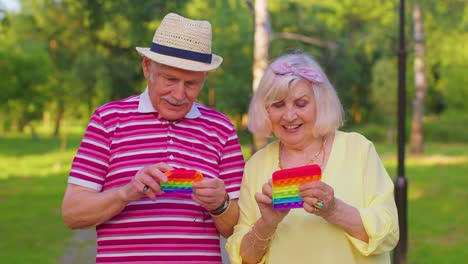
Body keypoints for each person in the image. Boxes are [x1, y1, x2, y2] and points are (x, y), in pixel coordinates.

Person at [61, 13, 245, 263]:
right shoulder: (108, 119)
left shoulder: (221, 128)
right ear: (147, 67)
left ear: (205, 80)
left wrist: (220, 205)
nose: (179, 94)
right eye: (170, 79)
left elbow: (236, 230)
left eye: (191, 84)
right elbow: (72, 214)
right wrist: (126, 193)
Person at [226, 53, 399, 264]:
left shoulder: (358, 149)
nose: (289, 116)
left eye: (301, 104)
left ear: (320, 103)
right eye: (278, 105)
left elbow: (389, 234)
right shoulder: (255, 165)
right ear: (265, 110)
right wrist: (266, 223)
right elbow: (243, 259)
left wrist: (334, 210)